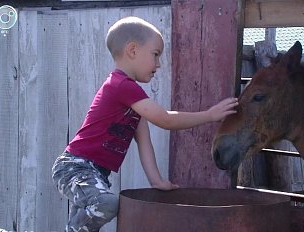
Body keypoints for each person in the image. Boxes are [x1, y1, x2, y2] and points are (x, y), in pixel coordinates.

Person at [51, 16, 238, 232]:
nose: (158, 64)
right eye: (155, 54)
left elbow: (144, 142)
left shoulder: (132, 100)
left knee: (93, 213)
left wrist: (157, 181)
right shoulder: (121, 85)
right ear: (132, 50)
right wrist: (209, 115)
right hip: (75, 167)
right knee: (106, 204)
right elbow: (165, 119)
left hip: (92, 172)